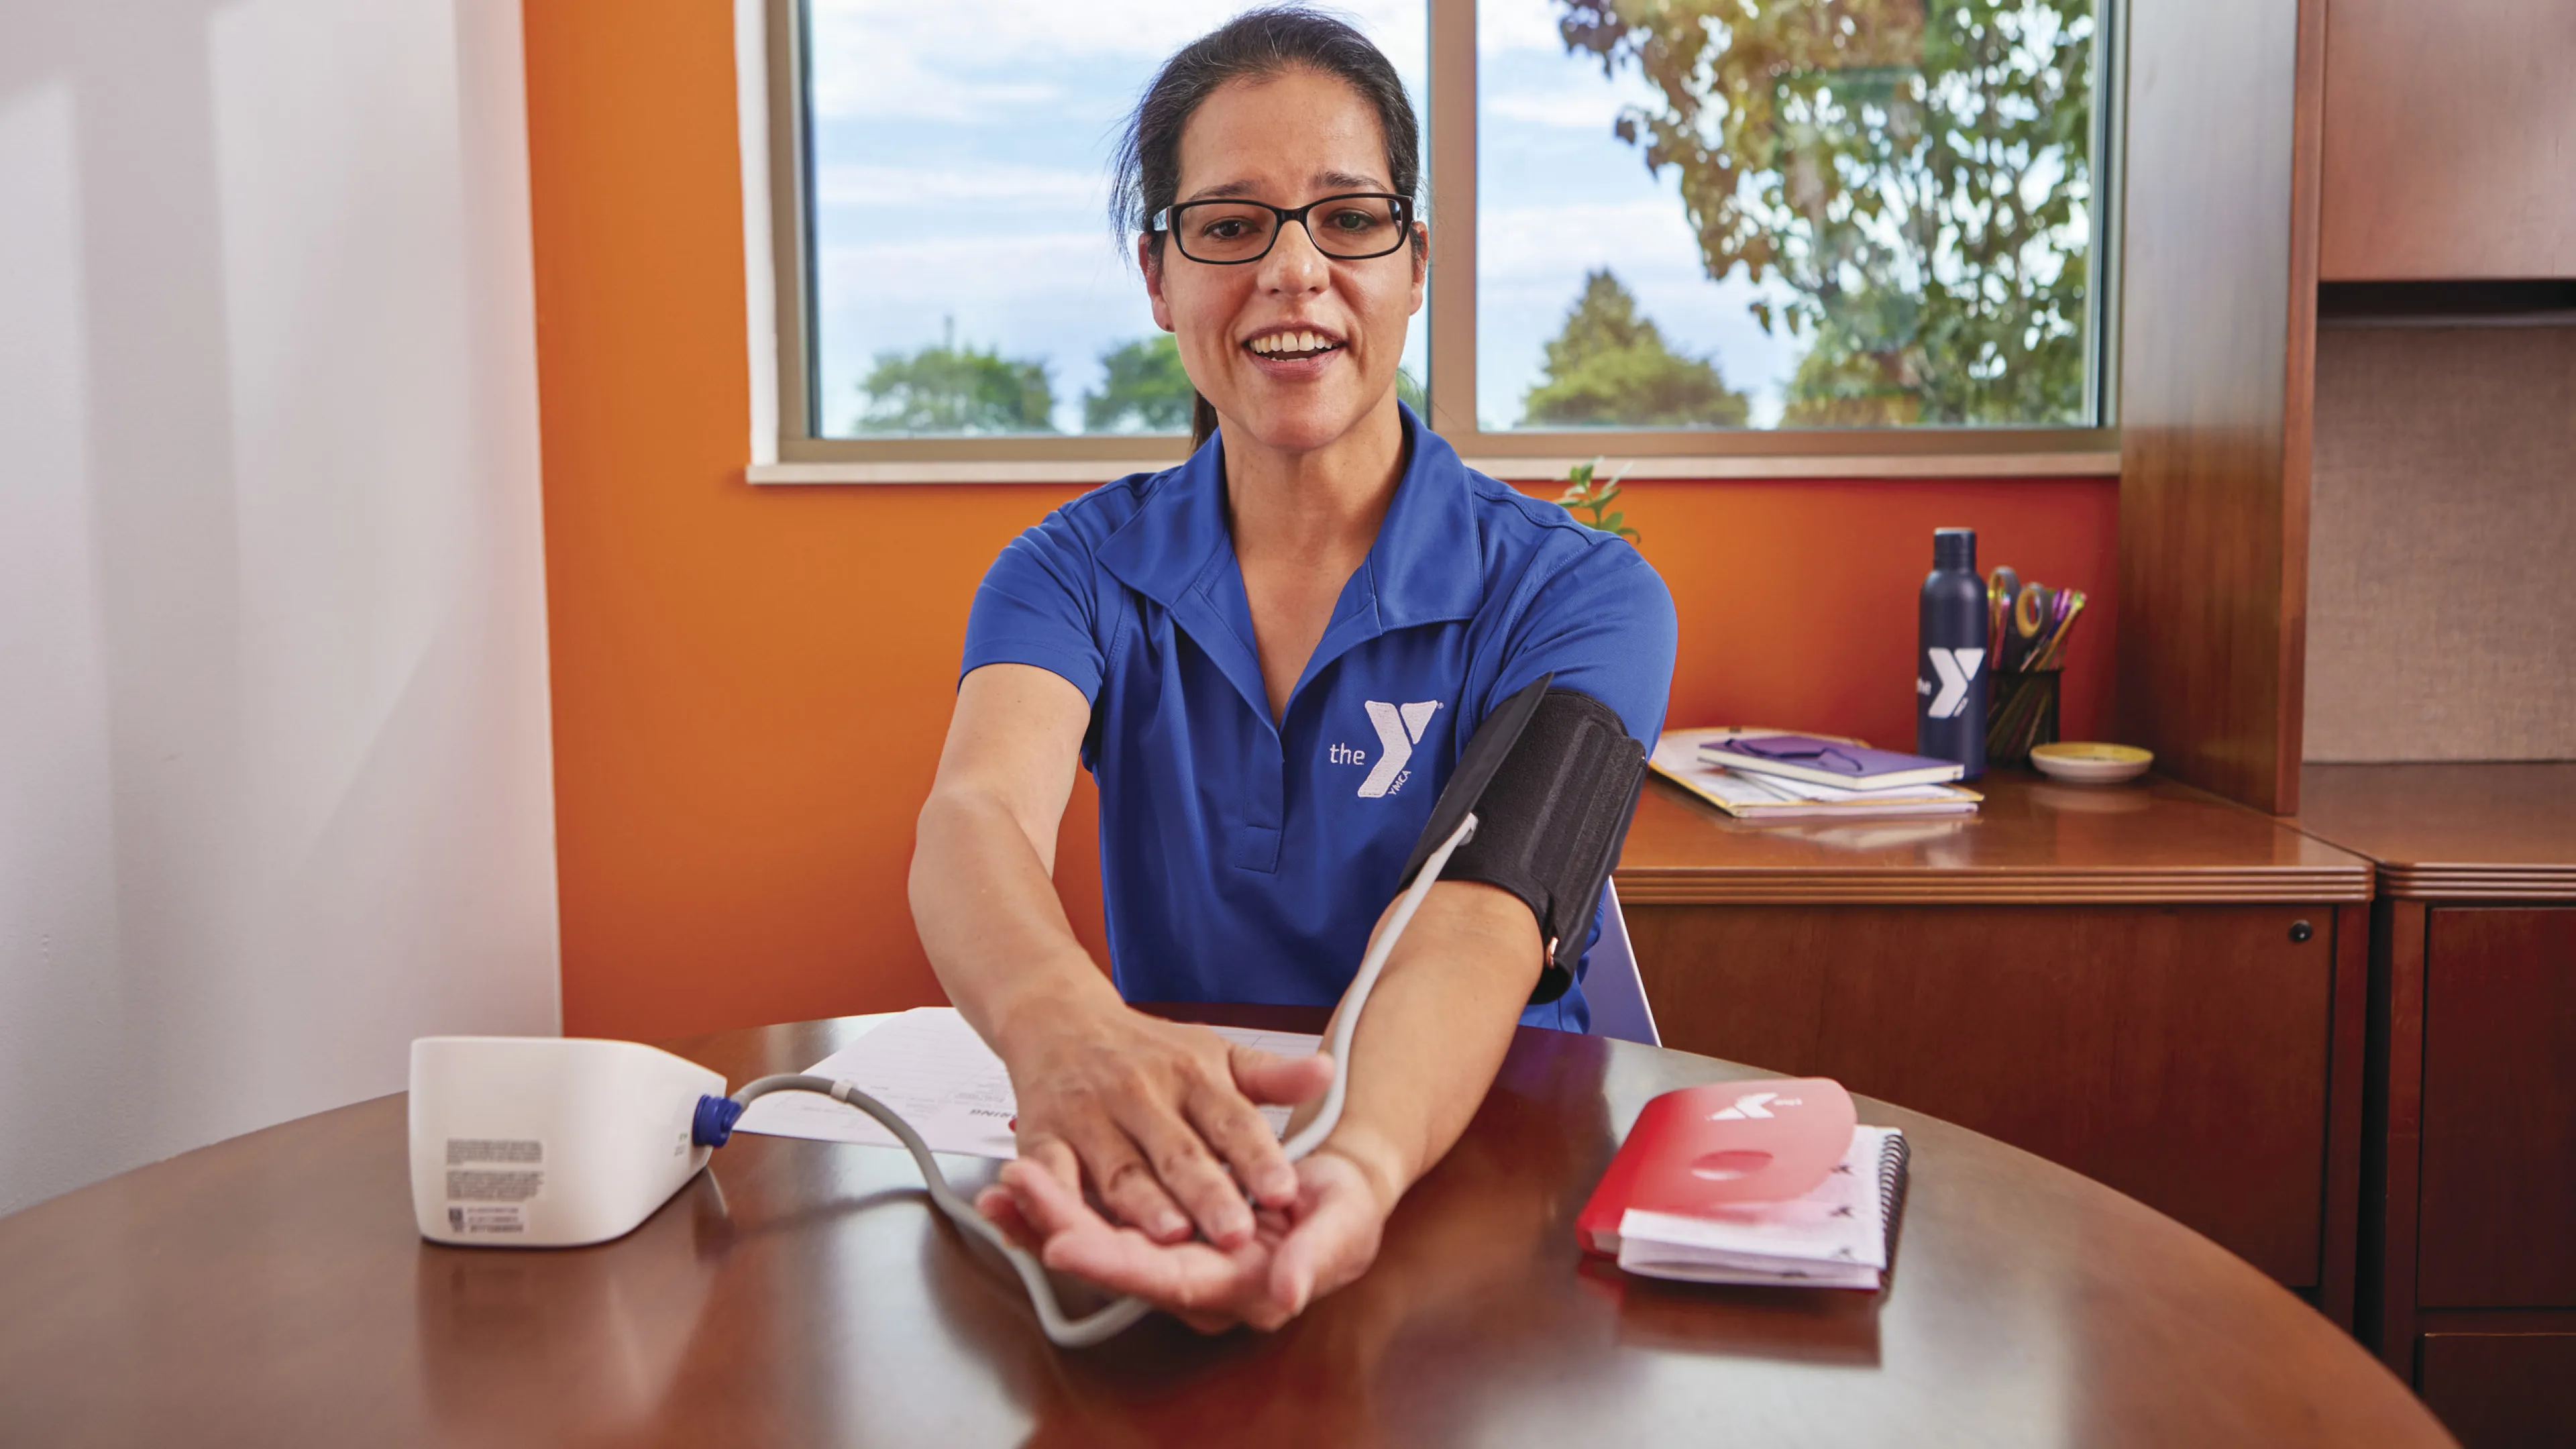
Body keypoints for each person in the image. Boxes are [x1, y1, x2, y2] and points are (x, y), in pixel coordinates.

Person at [908, 5, 1676, 1334]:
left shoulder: (1582, 592)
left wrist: (1352, 1168)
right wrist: (1061, 1026)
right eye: (1229, 225)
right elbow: (976, 814)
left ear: (1415, 261)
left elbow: (1479, 914)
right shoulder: (1069, 573)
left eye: (1349, 217)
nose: (1295, 271)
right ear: (1159, 277)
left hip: (1483, 1185)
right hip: (1182, 1157)